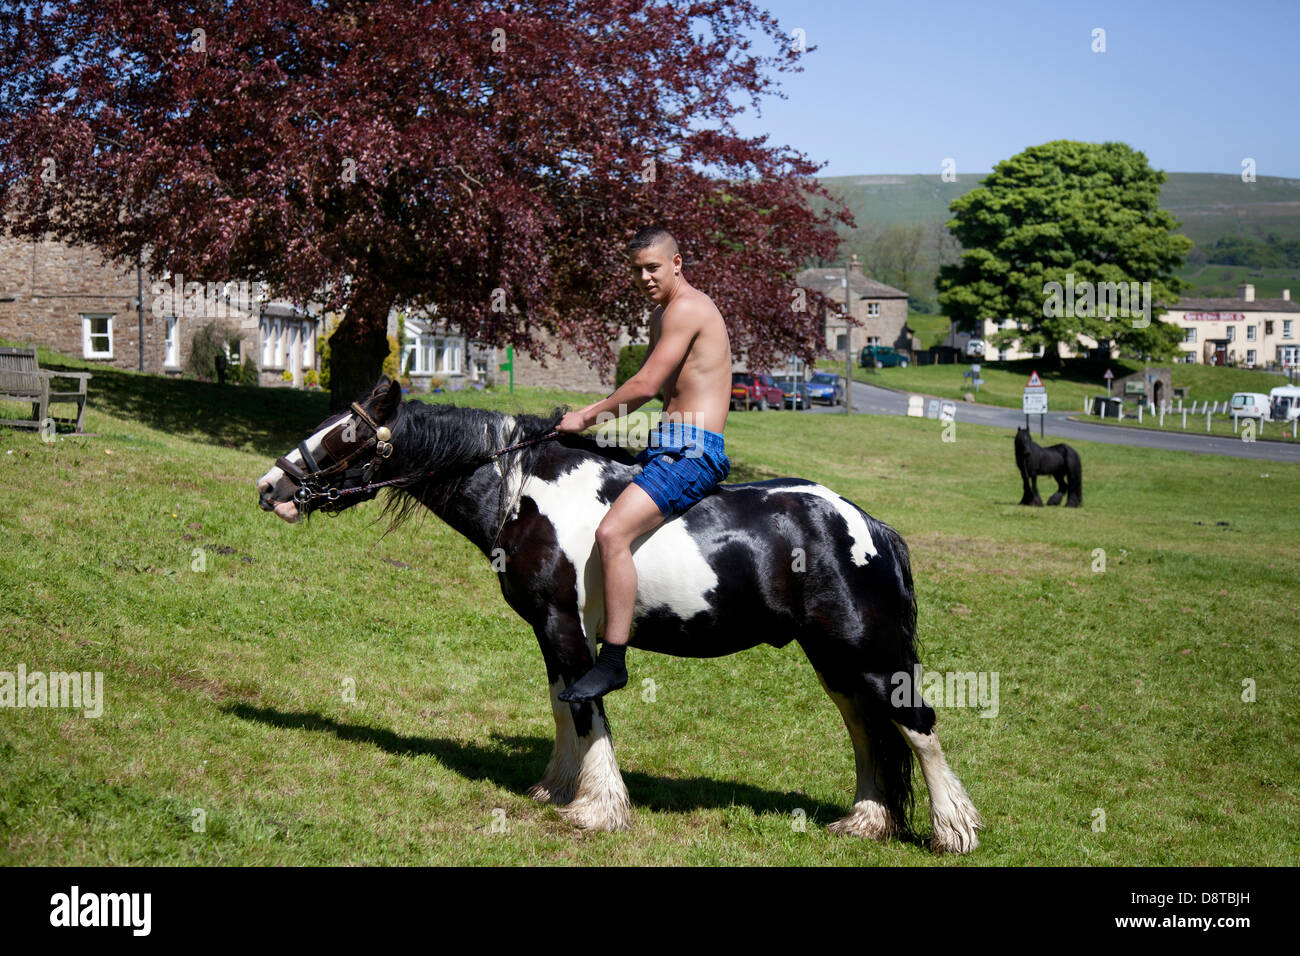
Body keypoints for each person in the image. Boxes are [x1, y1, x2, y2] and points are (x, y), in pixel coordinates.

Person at [555, 226, 732, 702]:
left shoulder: (689, 308)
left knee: (612, 533)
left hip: (693, 452)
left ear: (677, 263)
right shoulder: (662, 315)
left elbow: (646, 386)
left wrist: (586, 418)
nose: (645, 277)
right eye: (637, 270)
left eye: (653, 267)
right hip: (665, 446)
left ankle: (612, 661)